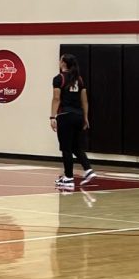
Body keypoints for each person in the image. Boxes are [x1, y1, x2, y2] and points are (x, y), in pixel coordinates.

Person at [50, 53, 95, 190]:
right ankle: (88, 170)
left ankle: (68, 178)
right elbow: (84, 100)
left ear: (63, 63)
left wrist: (52, 117)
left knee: (66, 148)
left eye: (60, 60)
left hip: (65, 116)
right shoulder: (79, 79)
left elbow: (56, 98)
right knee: (76, 146)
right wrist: (85, 117)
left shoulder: (59, 78)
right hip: (78, 116)